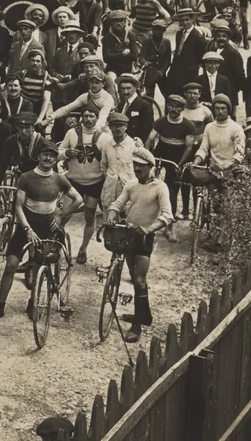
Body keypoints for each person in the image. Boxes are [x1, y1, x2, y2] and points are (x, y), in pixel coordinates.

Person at [0, 142, 82, 322]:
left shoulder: (59, 179)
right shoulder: (26, 178)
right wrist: (27, 229)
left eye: (52, 155)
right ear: (38, 156)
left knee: (38, 265)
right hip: (25, 227)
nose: (48, 158)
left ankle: (33, 304)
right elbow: (19, 206)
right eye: (45, 154)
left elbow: (78, 199)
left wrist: (61, 216)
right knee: (11, 265)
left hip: (47, 228)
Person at [105, 147, 173, 342]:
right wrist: (111, 216)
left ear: (151, 167)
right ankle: (144, 315)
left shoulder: (160, 187)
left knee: (139, 279)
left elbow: (167, 215)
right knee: (132, 274)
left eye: (141, 167)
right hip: (128, 234)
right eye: (135, 166)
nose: (137, 169)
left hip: (144, 237)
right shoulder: (132, 185)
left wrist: (149, 229)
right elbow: (117, 204)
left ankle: (137, 325)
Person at [59, 104, 107, 264]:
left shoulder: (104, 137)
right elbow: (57, 153)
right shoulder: (72, 133)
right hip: (73, 181)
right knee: (64, 215)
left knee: (89, 217)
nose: (88, 119)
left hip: (94, 183)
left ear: (97, 118)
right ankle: (57, 245)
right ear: (81, 117)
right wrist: (66, 153)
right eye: (85, 116)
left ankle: (83, 248)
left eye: (91, 116)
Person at [146, 94, 198, 241]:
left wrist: (180, 165)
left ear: (182, 108)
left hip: (178, 159)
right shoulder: (161, 122)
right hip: (161, 154)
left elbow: (188, 148)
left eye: (177, 107)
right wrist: (148, 158)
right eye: (171, 105)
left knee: (172, 194)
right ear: (167, 106)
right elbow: (150, 139)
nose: (174, 109)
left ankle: (169, 228)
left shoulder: (187, 125)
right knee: (148, 186)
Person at [166, 8, 206, 95]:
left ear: (193, 19)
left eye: (187, 20)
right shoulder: (179, 34)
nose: (185, 22)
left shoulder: (198, 37)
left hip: (189, 74)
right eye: (182, 20)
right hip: (176, 71)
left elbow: (201, 59)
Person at [115, 73, 155, 144]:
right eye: (123, 88)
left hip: (136, 143)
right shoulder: (120, 105)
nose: (125, 92)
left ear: (135, 87)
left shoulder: (145, 106)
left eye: (128, 88)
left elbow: (147, 129)